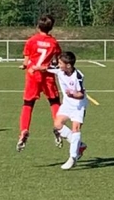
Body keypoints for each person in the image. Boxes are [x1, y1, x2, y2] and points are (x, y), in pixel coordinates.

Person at [17, 14, 62, 152]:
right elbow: (56, 61)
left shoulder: (31, 41)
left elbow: (26, 62)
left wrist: (24, 66)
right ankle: (58, 126)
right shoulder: (53, 42)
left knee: (28, 104)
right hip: (47, 76)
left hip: (33, 76)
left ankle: (24, 130)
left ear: (38, 26)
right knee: (54, 102)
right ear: (51, 28)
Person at [47, 51, 88, 170]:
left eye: (60, 63)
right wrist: (32, 66)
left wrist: (73, 94)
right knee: (57, 125)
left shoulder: (78, 76)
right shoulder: (60, 70)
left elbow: (81, 94)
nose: (58, 65)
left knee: (76, 129)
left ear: (68, 65)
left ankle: (73, 157)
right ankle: (80, 145)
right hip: (67, 104)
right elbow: (45, 68)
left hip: (78, 106)